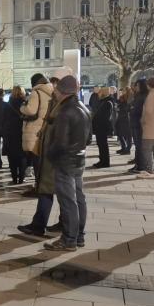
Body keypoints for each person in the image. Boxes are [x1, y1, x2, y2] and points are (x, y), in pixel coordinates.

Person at [42, 76, 92, 251]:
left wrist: (50, 154)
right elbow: (89, 139)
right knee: (79, 199)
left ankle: (69, 239)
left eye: (57, 89)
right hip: (79, 160)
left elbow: (60, 143)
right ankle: (79, 236)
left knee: (68, 201)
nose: (54, 91)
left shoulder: (65, 111)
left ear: (62, 91)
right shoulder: (84, 108)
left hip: (65, 162)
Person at [21, 74, 53, 178]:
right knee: (43, 160)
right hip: (46, 127)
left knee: (36, 159)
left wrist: (22, 108)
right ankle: (42, 184)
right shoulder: (51, 92)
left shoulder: (36, 92)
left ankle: (38, 186)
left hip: (35, 129)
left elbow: (31, 110)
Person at [5, 86, 27, 184]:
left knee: (12, 156)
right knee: (22, 156)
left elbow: (3, 119)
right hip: (22, 131)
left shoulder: (8, 104)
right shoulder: (25, 103)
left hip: (10, 132)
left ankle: (14, 178)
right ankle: (21, 178)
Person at [128, 79, 149, 174]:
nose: (135, 87)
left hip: (138, 123)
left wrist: (132, 109)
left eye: (137, 85)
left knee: (139, 145)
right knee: (137, 145)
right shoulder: (138, 96)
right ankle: (138, 164)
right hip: (135, 122)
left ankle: (141, 166)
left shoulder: (143, 96)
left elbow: (136, 109)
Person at [90, 87, 114, 168]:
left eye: (100, 93)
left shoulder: (107, 102)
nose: (98, 94)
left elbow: (105, 117)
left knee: (103, 145)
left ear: (103, 93)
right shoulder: (103, 101)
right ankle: (102, 160)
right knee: (101, 145)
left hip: (102, 127)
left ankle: (105, 162)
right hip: (100, 126)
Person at [115, 90, 133, 155]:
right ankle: (124, 147)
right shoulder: (121, 101)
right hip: (121, 120)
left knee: (128, 135)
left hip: (126, 120)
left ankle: (127, 149)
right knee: (120, 134)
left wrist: (119, 108)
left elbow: (126, 109)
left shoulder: (127, 101)